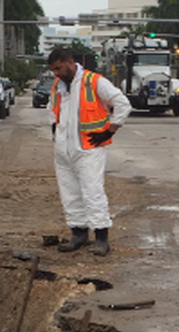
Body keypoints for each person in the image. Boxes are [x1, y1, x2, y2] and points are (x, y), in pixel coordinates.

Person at [47, 48, 133, 257]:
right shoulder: (59, 85)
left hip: (88, 149)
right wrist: (54, 128)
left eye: (58, 68)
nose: (56, 73)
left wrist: (110, 130)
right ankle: (78, 233)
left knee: (92, 192)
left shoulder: (94, 81)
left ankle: (101, 237)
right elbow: (51, 108)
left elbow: (122, 104)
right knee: (70, 193)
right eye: (53, 70)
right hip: (64, 150)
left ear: (69, 62)